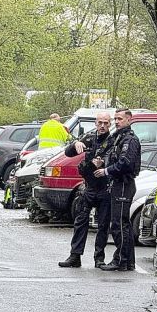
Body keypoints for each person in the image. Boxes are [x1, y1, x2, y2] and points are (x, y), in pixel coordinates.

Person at [59, 111, 113, 269]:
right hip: (89, 186)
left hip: (105, 187)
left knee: (103, 225)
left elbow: (116, 161)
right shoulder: (89, 138)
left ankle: (99, 258)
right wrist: (75, 144)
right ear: (96, 123)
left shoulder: (113, 140)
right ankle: (75, 256)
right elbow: (68, 153)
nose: (102, 126)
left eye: (106, 123)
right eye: (100, 123)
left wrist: (103, 163)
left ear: (110, 124)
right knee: (80, 221)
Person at [94, 108, 141, 271]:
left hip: (123, 184)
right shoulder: (119, 137)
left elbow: (125, 163)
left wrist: (106, 170)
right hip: (118, 183)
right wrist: (103, 163)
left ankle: (120, 260)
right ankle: (128, 262)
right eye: (115, 119)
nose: (116, 121)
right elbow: (113, 156)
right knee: (123, 224)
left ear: (129, 120)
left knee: (119, 224)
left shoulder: (129, 139)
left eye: (120, 119)